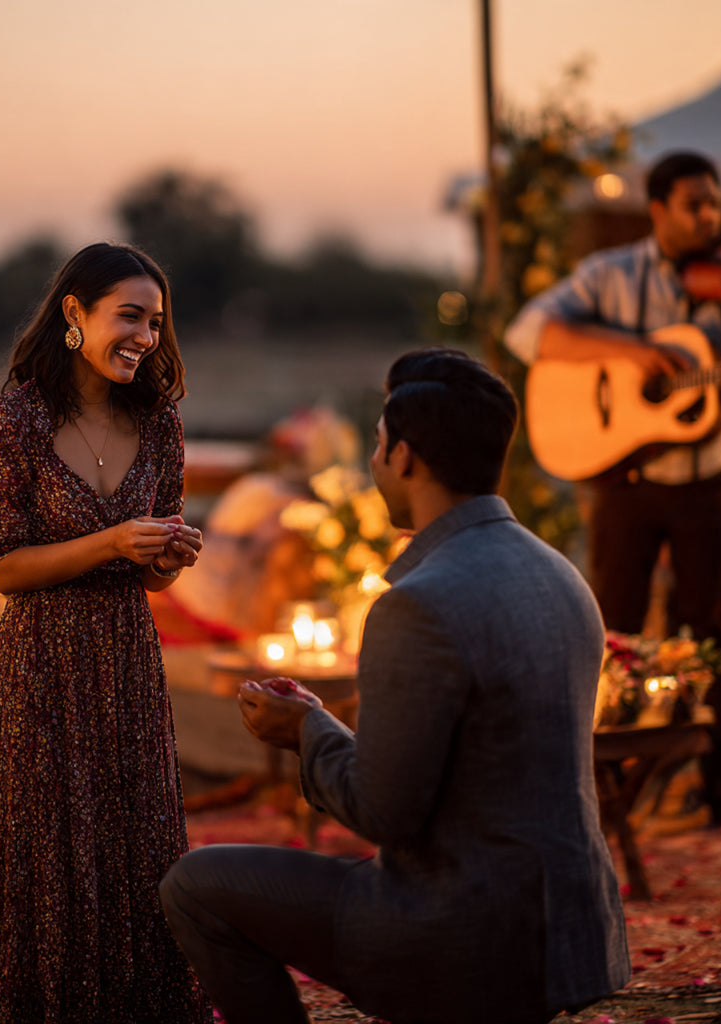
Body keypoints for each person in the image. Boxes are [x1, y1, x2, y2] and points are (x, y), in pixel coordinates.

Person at [160, 348, 630, 1024]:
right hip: (571, 934)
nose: (374, 465)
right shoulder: (562, 576)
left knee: (195, 884)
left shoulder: (420, 602)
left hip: (461, 932)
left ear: (406, 458)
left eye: (379, 447)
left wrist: (305, 731)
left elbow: (384, 813)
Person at [0, 242, 212, 1023]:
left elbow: (150, 574)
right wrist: (114, 541)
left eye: (155, 322)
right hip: (40, 667)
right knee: (45, 855)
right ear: (74, 313)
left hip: (127, 659)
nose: (146, 337)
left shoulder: (160, 423)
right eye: (129, 316)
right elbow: (5, 567)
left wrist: (169, 556)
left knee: (138, 844)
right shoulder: (12, 418)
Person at [504, 151, 721, 830]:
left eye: (715, 202)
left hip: (706, 482)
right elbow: (529, 332)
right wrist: (632, 355)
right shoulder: (611, 274)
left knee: (709, 627)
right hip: (626, 481)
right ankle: (606, 786)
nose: (709, 216)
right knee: (613, 626)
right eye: (695, 204)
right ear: (657, 209)